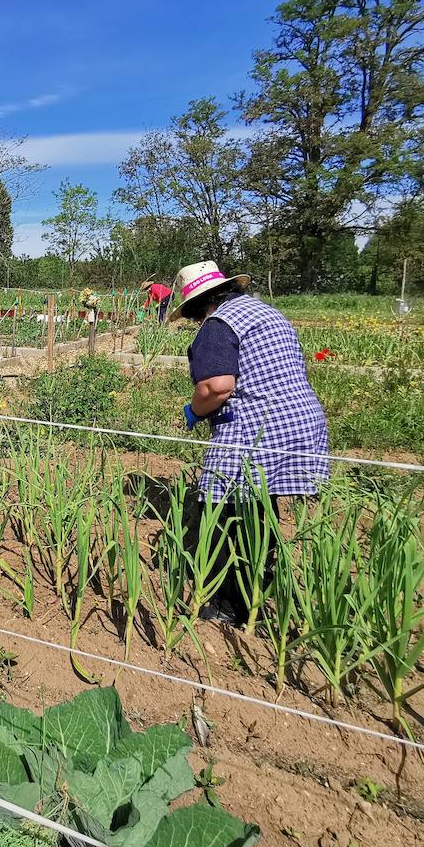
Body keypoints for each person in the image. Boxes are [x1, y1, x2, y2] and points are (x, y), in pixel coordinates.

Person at [178, 260, 328, 623]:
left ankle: (229, 603)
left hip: (256, 426)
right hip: (298, 419)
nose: (195, 322)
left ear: (200, 304)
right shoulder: (265, 312)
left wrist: (194, 411)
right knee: (259, 505)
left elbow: (216, 386)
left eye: (192, 315)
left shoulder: (218, 324)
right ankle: (258, 589)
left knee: (222, 504)